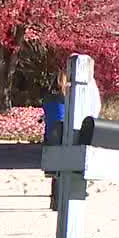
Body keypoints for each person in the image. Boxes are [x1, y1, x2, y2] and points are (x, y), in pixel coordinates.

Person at [43, 72, 68, 210]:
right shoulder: (66, 98)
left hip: (50, 133)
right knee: (64, 168)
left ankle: (54, 199)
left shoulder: (47, 98)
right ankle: (60, 199)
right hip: (62, 132)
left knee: (55, 171)